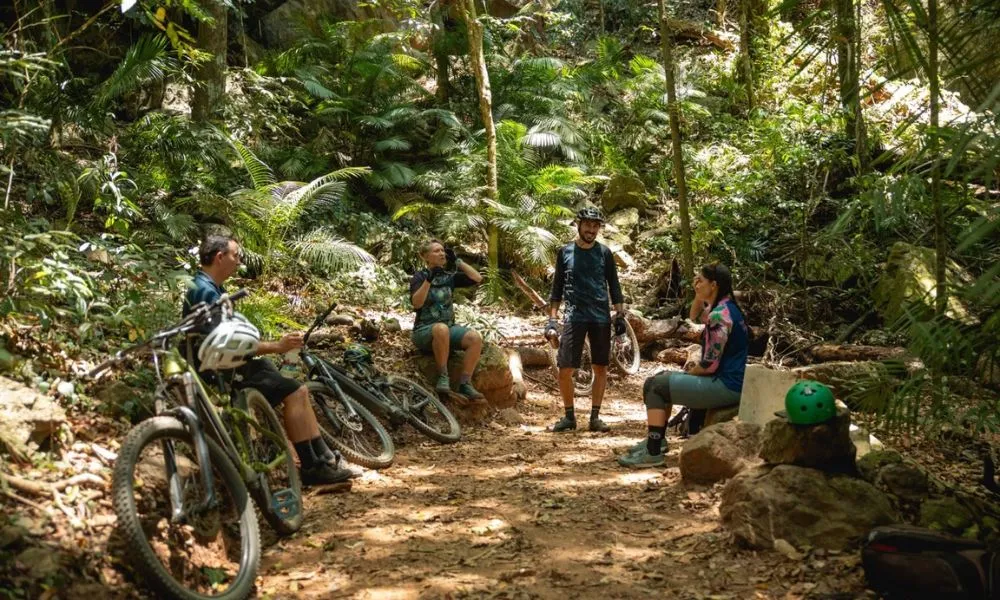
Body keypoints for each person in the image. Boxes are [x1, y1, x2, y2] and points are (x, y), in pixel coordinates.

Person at [185, 235, 356, 485]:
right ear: (219, 257)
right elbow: (226, 344)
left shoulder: (212, 288)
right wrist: (277, 346)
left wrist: (276, 347)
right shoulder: (204, 291)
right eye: (236, 255)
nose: (239, 261)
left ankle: (325, 457)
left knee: (299, 389)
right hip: (218, 371)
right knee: (295, 392)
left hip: (228, 364)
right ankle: (311, 467)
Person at [618, 263, 749, 468]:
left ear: (713, 284)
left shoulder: (719, 315)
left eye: (700, 281)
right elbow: (694, 316)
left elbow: (709, 366)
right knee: (660, 378)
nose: (696, 283)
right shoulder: (725, 306)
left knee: (656, 385)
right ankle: (658, 441)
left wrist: (691, 371)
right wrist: (699, 295)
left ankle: (653, 452)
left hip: (725, 384)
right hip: (729, 381)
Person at [546, 206, 626, 433]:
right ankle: (569, 416)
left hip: (600, 316)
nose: (591, 230)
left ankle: (595, 417)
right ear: (578, 225)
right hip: (573, 316)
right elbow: (556, 289)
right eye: (588, 225)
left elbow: (614, 285)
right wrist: (552, 321)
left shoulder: (604, 253)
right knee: (565, 368)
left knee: (600, 367)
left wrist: (619, 315)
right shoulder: (565, 252)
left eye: (595, 226)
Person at [409, 239, 485, 400]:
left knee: (475, 338)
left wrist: (458, 261)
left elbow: (477, 278)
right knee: (441, 329)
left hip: (448, 328)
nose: (442, 253)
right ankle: (443, 377)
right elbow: (417, 303)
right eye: (436, 251)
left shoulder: (449, 276)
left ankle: (465, 384)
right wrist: (429, 279)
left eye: (443, 250)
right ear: (425, 256)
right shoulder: (419, 277)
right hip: (424, 330)